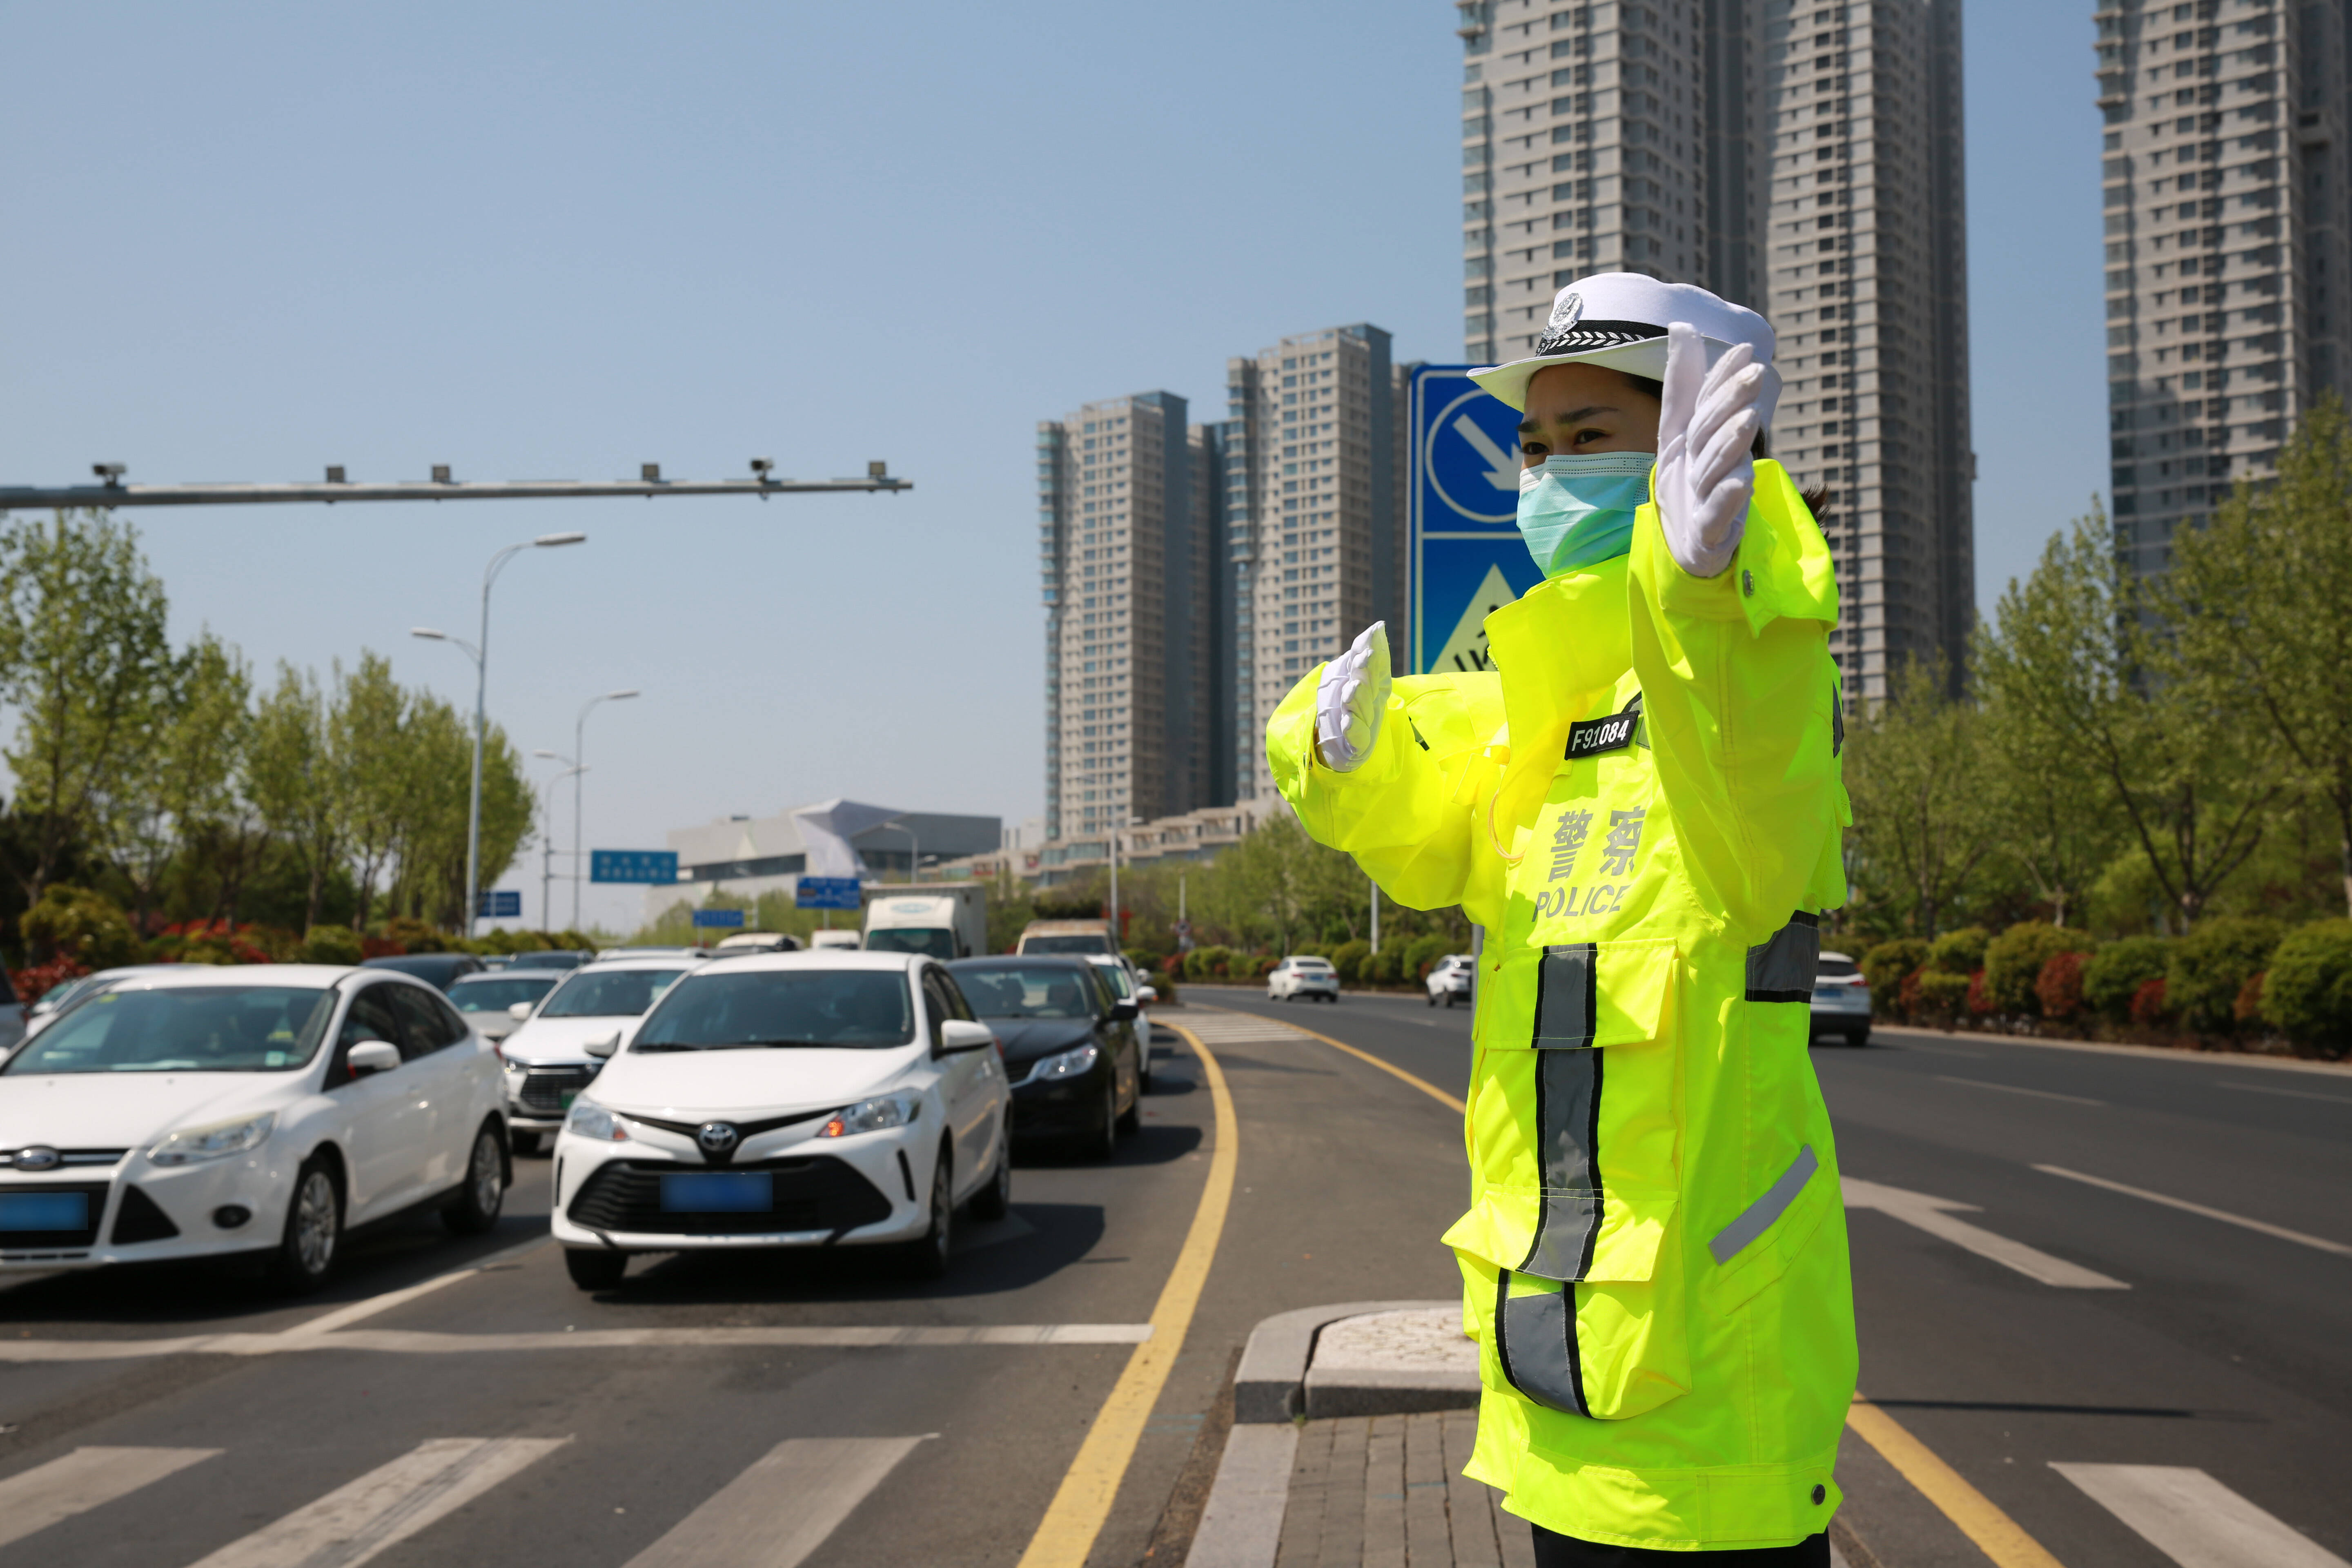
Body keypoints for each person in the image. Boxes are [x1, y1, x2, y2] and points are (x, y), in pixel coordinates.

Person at [1265, 273, 1855, 1561]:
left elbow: (1751, 824)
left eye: (1590, 440)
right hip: (1559, 1381)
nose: (1546, 473)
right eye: (1536, 447)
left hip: (1709, 1392)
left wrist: (1708, 598)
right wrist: (1341, 761)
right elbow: (1439, 830)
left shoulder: (1749, 679)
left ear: (1705, 443)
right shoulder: (1552, 694)